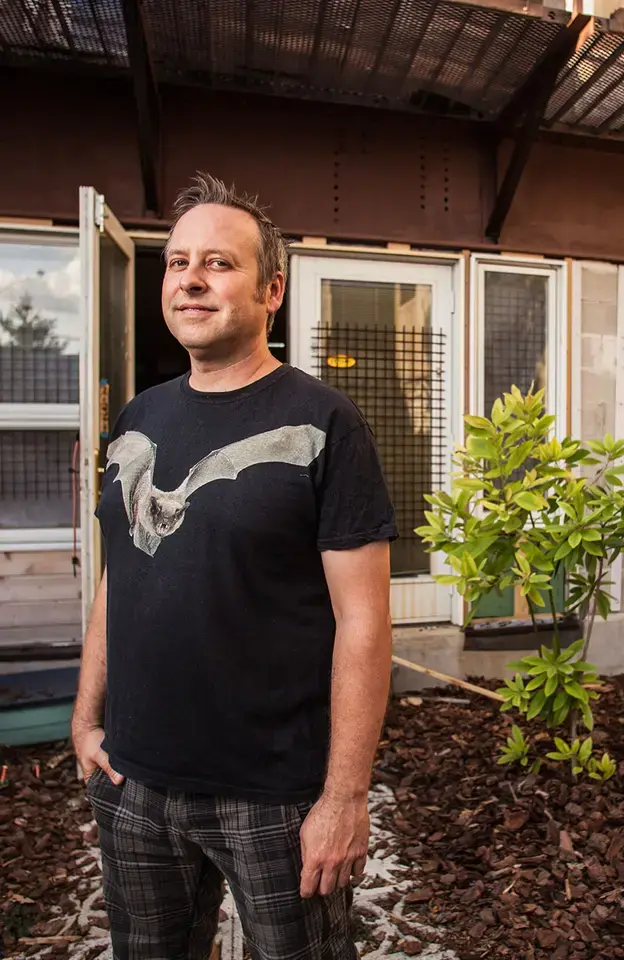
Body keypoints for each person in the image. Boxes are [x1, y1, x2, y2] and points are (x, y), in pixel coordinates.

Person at [71, 172, 396, 960]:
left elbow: (364, 619)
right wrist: (85, 719)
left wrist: (344, 797)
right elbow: (123, 571)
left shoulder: (322, 422)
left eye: (218, 263)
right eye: (177, 262)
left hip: (273, 795)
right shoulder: (141, 418)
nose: (189, 278)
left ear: (271, 289)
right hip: (136, 781)